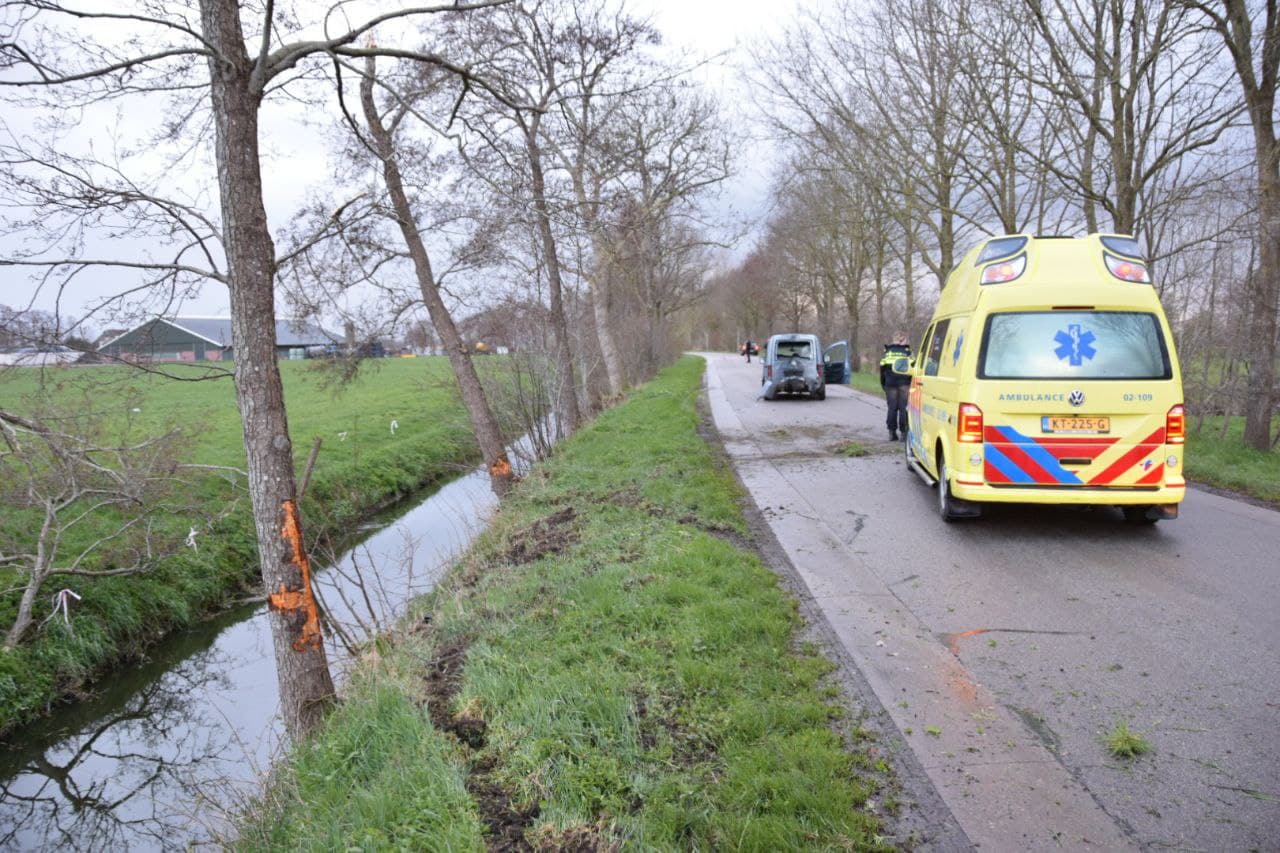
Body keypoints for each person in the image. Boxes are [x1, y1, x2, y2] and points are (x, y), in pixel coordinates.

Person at [879, 332, 911, 441]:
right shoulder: (908, 352)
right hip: (904, 384)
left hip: (890, 383)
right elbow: (914, 368)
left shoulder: (888, 352)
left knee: (892, 408)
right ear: (903, 340)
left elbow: (882, 369)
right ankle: (904, 434)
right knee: (903, 408)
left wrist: (884, 384)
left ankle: (892, 433)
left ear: (894, 340)